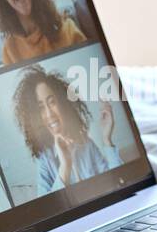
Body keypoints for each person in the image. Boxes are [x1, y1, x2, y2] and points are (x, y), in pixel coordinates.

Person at [11, 65, 120, 195]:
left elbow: (117, 182)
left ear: (63, 103)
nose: (49, 114)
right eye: (40, 108)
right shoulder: (45, 160)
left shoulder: (86, 144)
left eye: (52, 102)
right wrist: (65, 167)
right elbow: (48, 209)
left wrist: (107, 139)